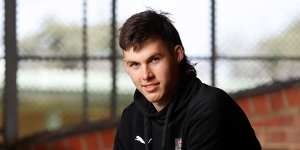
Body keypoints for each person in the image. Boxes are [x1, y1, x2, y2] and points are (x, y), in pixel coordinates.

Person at [113, 10, 261, 150]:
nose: (146, 75)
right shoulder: (131, 118)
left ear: (177, 54)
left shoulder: (209, 109)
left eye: (154, 60)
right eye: (135, 65)